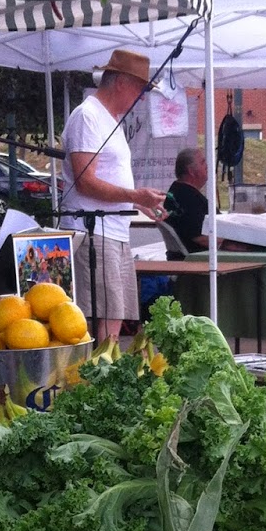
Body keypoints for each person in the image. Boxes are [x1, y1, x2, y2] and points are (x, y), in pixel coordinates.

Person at [58, 47, 168, 340]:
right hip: (93, 232)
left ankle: (107, 365)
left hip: (114, 233)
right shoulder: (88, 116)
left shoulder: (111, 120)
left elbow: (106, 177)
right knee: (102, 319)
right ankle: (96, 368)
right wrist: (135, 196)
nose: (142, 97)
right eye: (140, 89)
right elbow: (85, 181)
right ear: (121, 82)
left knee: (116, 316)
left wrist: (139, 203)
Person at [163, 147, 209, 256]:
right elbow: (199, 236)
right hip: (200, 257)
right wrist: (235, 243)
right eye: (203, 163)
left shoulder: (180, 192)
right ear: (191, 171)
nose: (207, 166)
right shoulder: (186, 198)